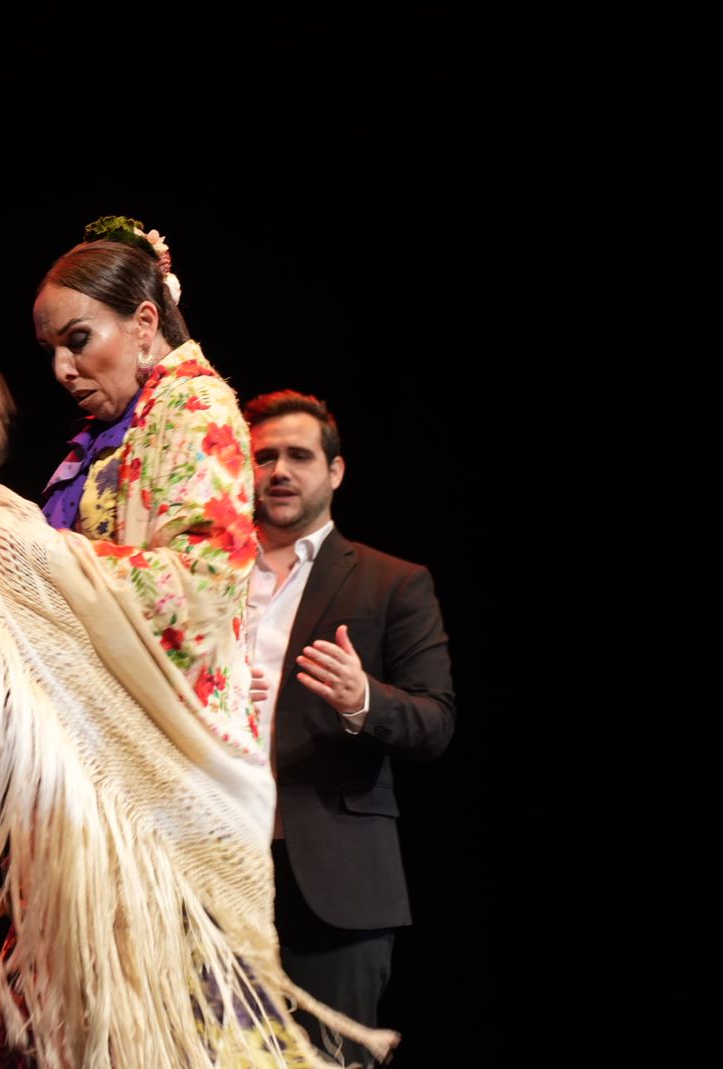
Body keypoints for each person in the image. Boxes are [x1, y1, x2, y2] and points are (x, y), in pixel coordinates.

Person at [0, 217, 397, 1068]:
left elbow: (198, 590)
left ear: (145, 323)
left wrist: (22, 542)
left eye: (80, 340)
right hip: (94, 802)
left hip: (164, 809)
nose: (64, 368)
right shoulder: (100, 444)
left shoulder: (198, 408)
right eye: (51, 351)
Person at [242, 389, 455, 1067]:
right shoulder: (201, 578)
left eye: (299, 455)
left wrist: (363, 698)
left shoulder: (392, 582)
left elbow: (434, 719)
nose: (279, 469)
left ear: (334, 471)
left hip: (332, 884)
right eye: (263, 455)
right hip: (212, 865)